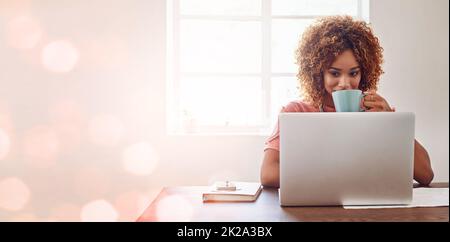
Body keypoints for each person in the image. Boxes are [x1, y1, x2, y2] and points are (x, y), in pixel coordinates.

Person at [260, 15, 434, 188]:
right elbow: (268, 174)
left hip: (365, 209)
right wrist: (335, 177)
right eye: (335, 73)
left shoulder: (375, 111)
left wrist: (391, 122)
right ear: (318, 73)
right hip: (314, 208)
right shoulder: (296, 112)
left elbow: (426, 175)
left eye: (353, 73)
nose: (345, 84)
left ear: (363, 73)